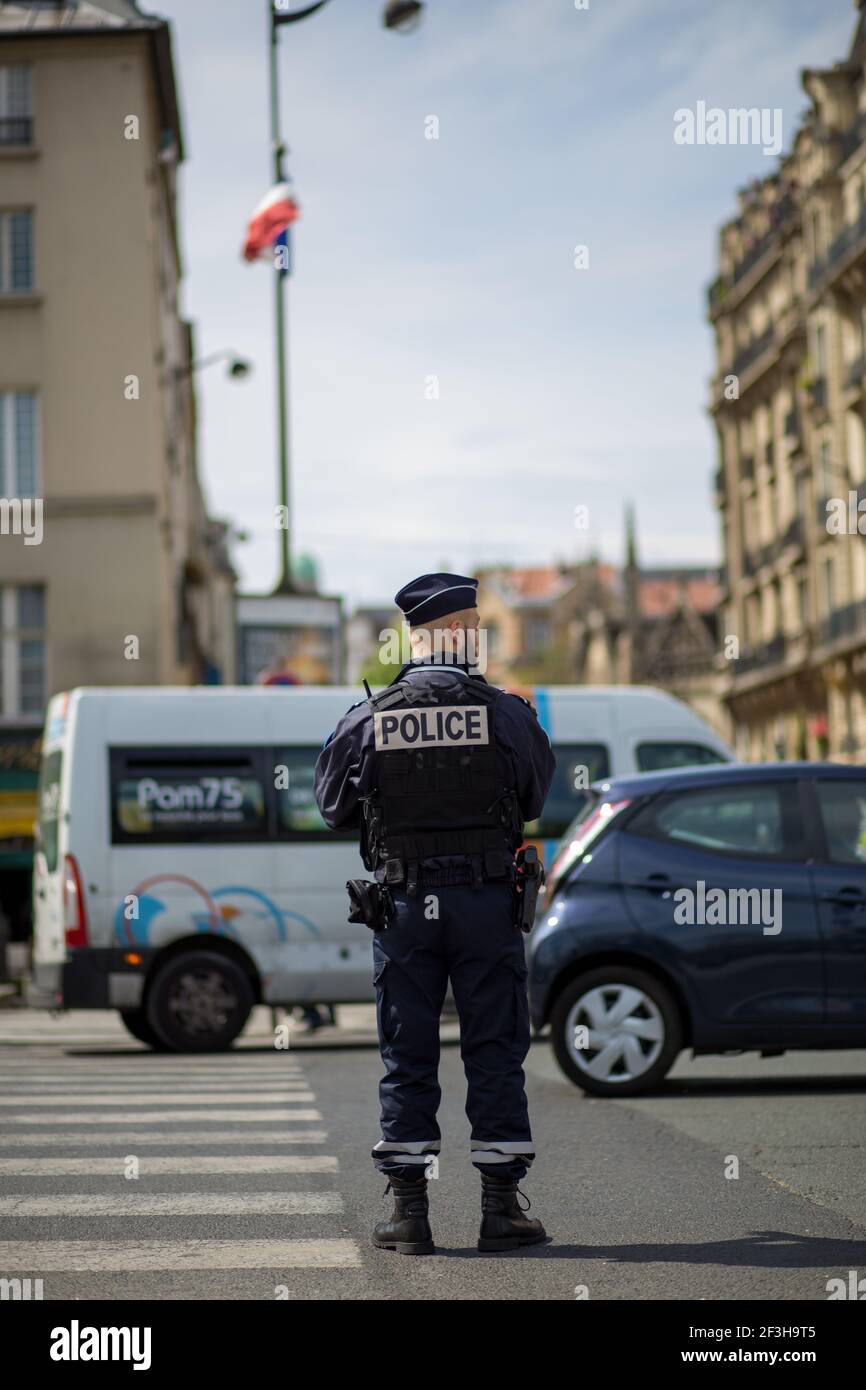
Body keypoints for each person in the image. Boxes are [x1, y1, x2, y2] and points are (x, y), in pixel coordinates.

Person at [314, 572, 556, 1254]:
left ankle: (410, 1215)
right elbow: (534, 794)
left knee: (407, 1055)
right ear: (464, 634)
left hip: (403, 907)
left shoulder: (372, 717)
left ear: (413, 638)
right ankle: (501, 1212)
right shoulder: (505, 713)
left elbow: (333, 807)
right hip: (484, 902)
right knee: (495, 1051)